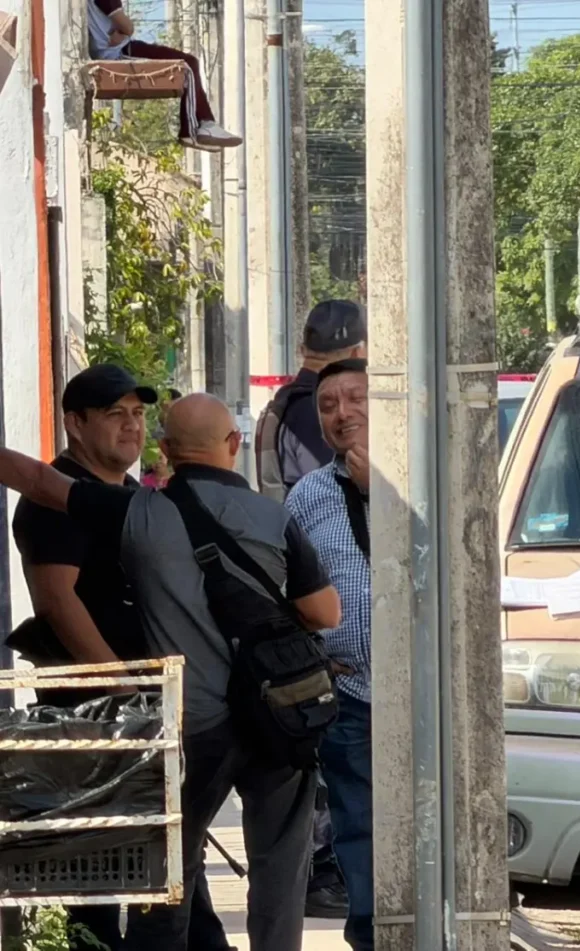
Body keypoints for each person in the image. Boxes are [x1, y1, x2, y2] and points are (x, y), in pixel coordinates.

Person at [0, 393, 341, 951]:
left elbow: (40, 483)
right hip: (281, 717)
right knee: (280, 867)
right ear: (233, 445)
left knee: (168, 872)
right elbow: (325, 612)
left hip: (192, 724)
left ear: (166, 450)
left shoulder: (140, 514)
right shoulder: (274, 516)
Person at [9, 365, 233, 951]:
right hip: (97, 710)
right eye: (115, 414)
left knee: (169, 853)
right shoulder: (55, 499)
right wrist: (122, 685)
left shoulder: (134, 497)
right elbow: (58, 600)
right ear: (75, 424)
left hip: (152, 704)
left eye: (138, 414)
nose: (131, 426)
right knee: (103, 862)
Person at [254, 299, 365, 918]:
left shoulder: (284, 407)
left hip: (331, 644)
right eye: (334, 402)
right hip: (326, 651)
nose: (342, 412)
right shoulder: (310, 428)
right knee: (337, 800)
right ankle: (326, 875)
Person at [285, 359, 373, 951]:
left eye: (354, 399)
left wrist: (376, 490)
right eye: (327, 405)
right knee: (359, 830)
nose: (341, 414)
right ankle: (370, 938)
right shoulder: (307, 495)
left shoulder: (433, 476)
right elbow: (284, 590)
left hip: (429, 691)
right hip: (350, 694)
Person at [87, 0, 241, 151]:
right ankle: (197, 127)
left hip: (119, 49)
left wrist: (122, 32)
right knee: (187, 65)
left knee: (188, 63)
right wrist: (125, 31)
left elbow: (119, 28)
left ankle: (201, 126)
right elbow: (127, 26)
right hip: (119, 53)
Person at [256, 299, 367, 503]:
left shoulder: (289, 402)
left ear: (302, 350)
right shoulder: (318, 411)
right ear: (358, 354)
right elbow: (335, 494)